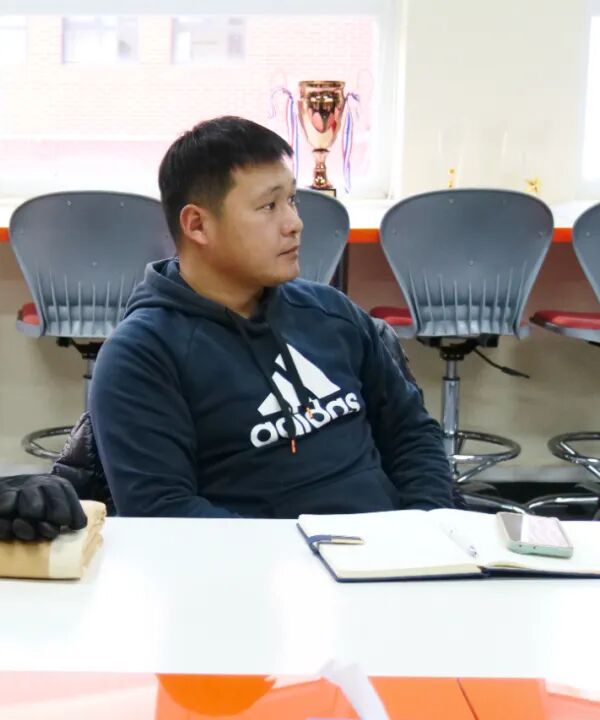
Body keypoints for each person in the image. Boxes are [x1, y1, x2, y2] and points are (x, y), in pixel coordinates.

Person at [88, 116, 453, 519]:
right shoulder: (142, 355)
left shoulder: (330, 312)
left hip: (391, 546)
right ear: (197, 225)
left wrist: (427, 525)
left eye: (292, 200)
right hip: (255, 557)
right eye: (268, 206)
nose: (294, 223)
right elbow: (164, 512)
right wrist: (308, 552)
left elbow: (412, 435)